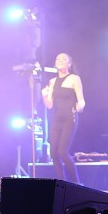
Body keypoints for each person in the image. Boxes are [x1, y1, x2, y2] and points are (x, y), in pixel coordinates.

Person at [41, 52, 85, 184]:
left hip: (69, 118)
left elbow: (81, 100)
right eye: (57, 58)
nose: (60, 60)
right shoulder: (52, 82)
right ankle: (63, 184)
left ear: (69, 64)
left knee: (62, 151)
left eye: (63, 59)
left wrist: (80, 106)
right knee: (54, 153)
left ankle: (77, 183)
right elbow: (49, 105)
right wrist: (44, 95)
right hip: (56, 119)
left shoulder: (74, 78)